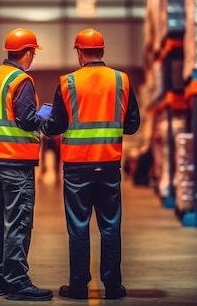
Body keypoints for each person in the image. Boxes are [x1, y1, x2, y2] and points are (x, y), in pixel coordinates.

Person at [41, 28, 140, 300]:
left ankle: (78, 287)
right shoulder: (122, 80)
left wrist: (44, 123)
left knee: (78, 227)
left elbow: (55, 126)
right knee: (110, 226)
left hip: (77, 168)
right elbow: (132, 125)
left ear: (79, 53)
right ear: (103, 52)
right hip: (109, 165)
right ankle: (112, 287)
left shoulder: (67, 83)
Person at [0, 27, 53, 301]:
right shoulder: (20, 80)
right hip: (15, 162)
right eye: (33, 52)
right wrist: (47, 120)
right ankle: (17, 281)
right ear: (28, 52)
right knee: (18, 221)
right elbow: (25, 120)